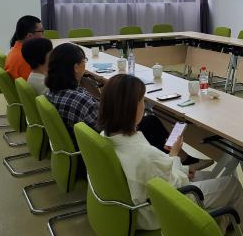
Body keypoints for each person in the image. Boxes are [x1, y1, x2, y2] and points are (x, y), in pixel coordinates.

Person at [99, 74, 243, 236]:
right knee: (231, 185)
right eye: (141, 100)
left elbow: (156, 173)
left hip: (140, 200)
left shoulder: (106, 136)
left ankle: (221, 222)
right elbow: (171, 188)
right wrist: (175, 155)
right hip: (158, 209)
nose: (143, 103)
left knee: (208, 177)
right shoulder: (144, 154)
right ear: (130, 108)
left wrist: (182, 168)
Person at [44, 43, 199, 161]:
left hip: (86, 147)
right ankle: (173, 159)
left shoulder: (51, 91)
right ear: (76, 67)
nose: (85, 64)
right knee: (151, 123)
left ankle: (175, 158)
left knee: (150, 121)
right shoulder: (79, 100)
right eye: (84, 61)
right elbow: (109, 127)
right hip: (107, 148)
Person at [5, 15, 44, 80]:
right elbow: (34, 82)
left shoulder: (15, 49)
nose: (43, 35)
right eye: (41, 31)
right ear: (29, 36)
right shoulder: (25, 58)